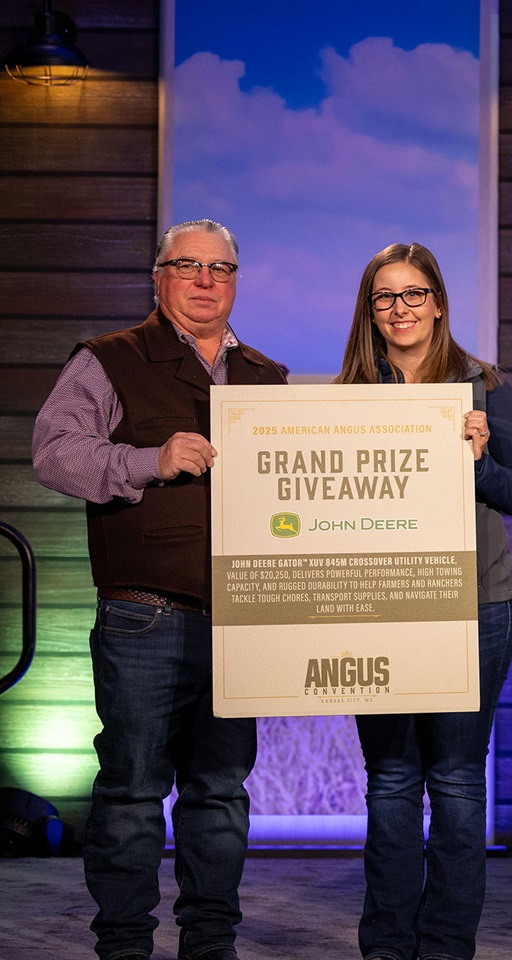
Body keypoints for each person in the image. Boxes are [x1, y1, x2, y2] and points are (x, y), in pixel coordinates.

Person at [32, 219, 287, 960]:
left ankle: (211, 945)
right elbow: (54, 454)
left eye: (221, 267)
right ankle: (124, 947)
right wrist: (149, 460)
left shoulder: (266, 377)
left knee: (220, 796)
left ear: (236, 279)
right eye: (188, 265)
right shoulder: (108, 360)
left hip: (240, 620)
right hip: (145, 616)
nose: (206, 280)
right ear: (158, 276)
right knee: (133, 795)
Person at [335, 242, 512, 960]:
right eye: (385, 297)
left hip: (475, 609)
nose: (400, 309)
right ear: (371, 311)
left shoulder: (485, 386)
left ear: (440, 302)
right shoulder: (347, 398)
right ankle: (388, 947)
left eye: (413, 294)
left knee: (455, 781)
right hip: (380, 611)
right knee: (390, 781)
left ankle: (447, 945)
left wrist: (478, 463)